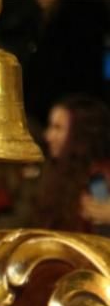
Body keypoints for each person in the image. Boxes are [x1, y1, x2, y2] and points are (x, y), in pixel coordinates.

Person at [35, 95, 110, 233]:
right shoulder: (55, 173)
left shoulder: (97, 180)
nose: (48, 136)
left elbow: (102, 233)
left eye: (57, 128)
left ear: (79, 134)